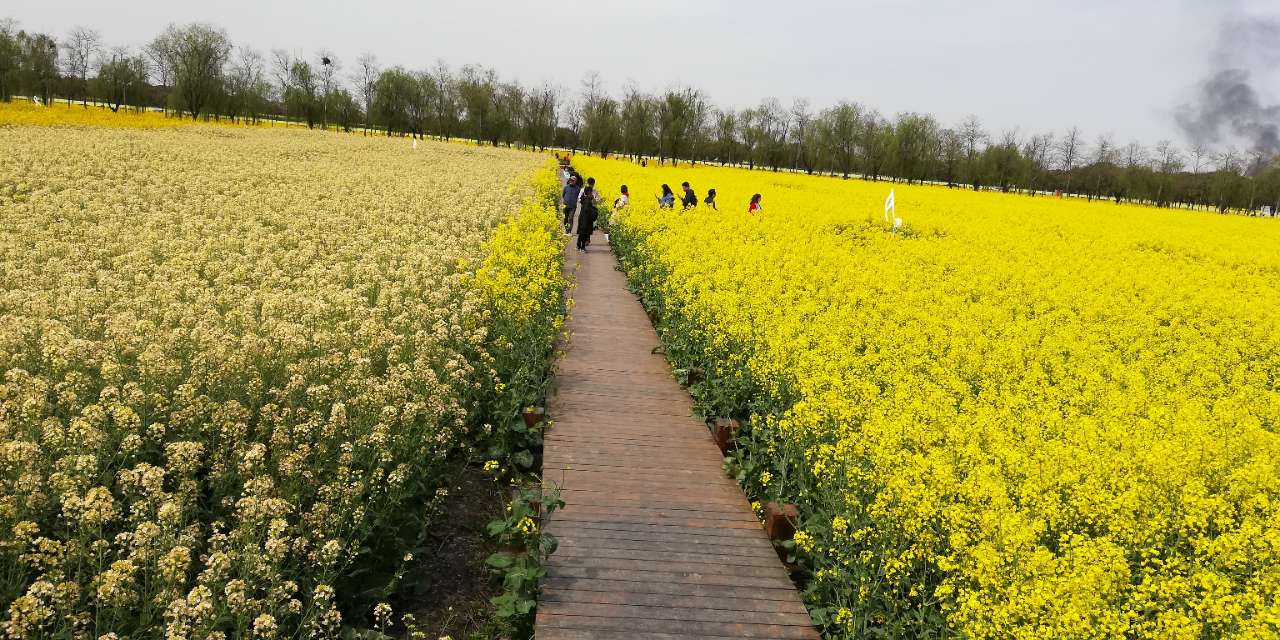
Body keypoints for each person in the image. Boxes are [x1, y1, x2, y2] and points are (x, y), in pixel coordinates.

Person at [576, 185, 599, 252]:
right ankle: (582, 248)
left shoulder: (584, 199)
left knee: (581, 234)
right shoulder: (587, 201)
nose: (592, 194)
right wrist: (594, 210)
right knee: (584, 234)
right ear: (588, 193)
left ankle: (578, 246)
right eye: (591, 193)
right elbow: (587, 210)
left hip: (583, 219)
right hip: (585, 220)